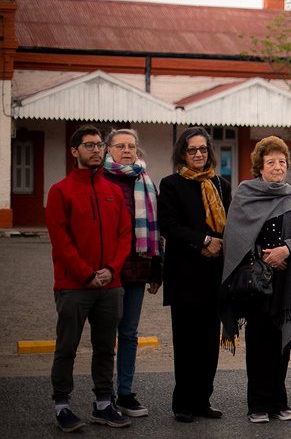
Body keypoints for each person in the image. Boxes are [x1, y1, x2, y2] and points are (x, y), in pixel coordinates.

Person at [221, 136, 291, 424]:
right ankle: (257, 405)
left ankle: (279, 403)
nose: (277, 166)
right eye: (271, 161)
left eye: (282, 162)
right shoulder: (246, 195)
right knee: (259, 343)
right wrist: (263, 257)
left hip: (287, 283)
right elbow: (235, 236)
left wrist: (287, 250)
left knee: (282, 343)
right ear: (260, 166)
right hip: (256, 284)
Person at [46, 124, 132, 432]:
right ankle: (62, 405)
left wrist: (111, 268)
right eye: (89, 145)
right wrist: (86, 274)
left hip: (111, 285)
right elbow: (61, 239)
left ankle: (103, 404)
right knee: (67, 346)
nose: (96, 150)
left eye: (99, 145)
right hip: (73, 286)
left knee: (106, 346)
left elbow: (125, 235)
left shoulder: (113, 191)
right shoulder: (60, 191)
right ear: (75, 151)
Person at [158, 127, 230, 423]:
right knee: (186, 343)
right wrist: (203, 241)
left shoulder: (222, 184)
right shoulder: (172, 184)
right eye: (192, 150)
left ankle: (203, 400)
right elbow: (169, 225)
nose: (198, 154)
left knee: (209, 343)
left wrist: (221, 244)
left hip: (215, 275)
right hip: (186, 275)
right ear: (182, 153)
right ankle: (183, 403)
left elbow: (231, 223)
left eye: (203, 149)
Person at [100, 128, 162, 417]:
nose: (126, 150)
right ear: (108, 149)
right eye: (120, 145)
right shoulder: (99, 179)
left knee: (129, 333)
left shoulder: (146, 181)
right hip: (106, 271)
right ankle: (103, 395)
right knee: (104, 334)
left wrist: (156, 271)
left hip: (137, 268)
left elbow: (156, 229)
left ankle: (125, 393)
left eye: (132, 146)